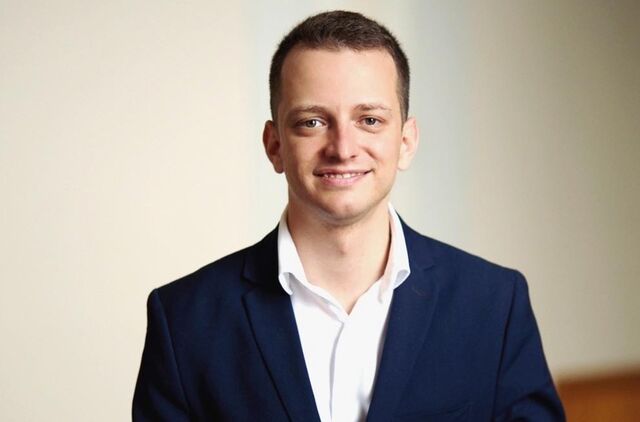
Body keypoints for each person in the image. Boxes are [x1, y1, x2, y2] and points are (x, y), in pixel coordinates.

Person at [133, 10, 564, 422]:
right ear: (274, 145)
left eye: (370, 120)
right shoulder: (183, 320)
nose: (342, 148)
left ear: (406, 142)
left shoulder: (494, 304)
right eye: (312, 122)